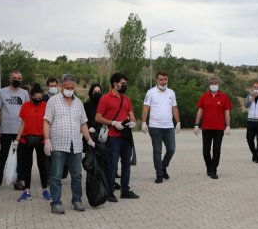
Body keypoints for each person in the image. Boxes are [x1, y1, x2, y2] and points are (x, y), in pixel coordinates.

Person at [44, 74, 95, 214]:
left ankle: (77, 200)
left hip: (76, 145)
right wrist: (47, 139)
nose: (70, 90)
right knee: (56, 175)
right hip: (58, 144)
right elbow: (47, 121)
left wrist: (89, 139)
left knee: (77, 175)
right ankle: (56, 202)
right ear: (62, 86)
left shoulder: (78, 102)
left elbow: (83, 123)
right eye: (67, 88)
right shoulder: (53, 101)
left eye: (72, 88)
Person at [97, 73, 140, 201]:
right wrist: (113, 123)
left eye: (125, 84)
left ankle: (125, 190)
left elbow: (131, 113)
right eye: (123, 83)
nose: (124, 86)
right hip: (113, 136)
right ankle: (109, 192)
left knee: (127, 164)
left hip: (126, 135)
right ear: (115, 84)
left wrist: (133, 122)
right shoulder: (105, 98)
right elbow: (98, 117)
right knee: (112, 164)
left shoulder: (126, 99)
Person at [0, 70, 29, 192]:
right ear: (9, 79)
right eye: (14, 78)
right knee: (2, 157)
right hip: (6, 130)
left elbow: (28, 112)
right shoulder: (2, 92)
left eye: (19, 78)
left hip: (20, 131)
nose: (17, 80)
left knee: (21, 158)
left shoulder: (24, 93)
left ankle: (19, 181)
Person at [141, 71, 181, 183]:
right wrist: (144, 122)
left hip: (169, 126)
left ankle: (163, 167)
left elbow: (174, 108)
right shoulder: (150, 92)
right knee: (157, 151)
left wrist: (178, 122)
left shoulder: (171, 93)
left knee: (171, 149)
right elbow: (145, 107)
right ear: (157, 80)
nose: (163, 82)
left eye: (165, 79)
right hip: (155, 127)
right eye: (161, 80)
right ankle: (159, 174)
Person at [15, 84, 51, 202]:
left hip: (41, 140)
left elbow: (49, 123)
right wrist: (17, 139)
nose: (38, 100)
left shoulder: (46, 106)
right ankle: (27, 191)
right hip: (26, 140)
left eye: (40, 98)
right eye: (35, 98)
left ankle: (45, 190)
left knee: (42, 165)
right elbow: (23, 124)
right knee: (27, 166)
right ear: (31, 96)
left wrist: (48, 139)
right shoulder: (25, 106)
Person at [193, 77, 232, 179]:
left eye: (215, 83)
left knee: (216, 150)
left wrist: (228, 126)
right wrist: (196, 124)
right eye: (212, 83)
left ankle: (214, 170)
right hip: (206, 128)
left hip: (219, 128)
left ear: (218, 84)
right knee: (206, 150)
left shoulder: (223, 97)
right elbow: (200, 111)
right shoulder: (204, 96)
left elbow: (227, 112)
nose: (214, 84)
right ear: (209, 85)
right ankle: (209, 166)